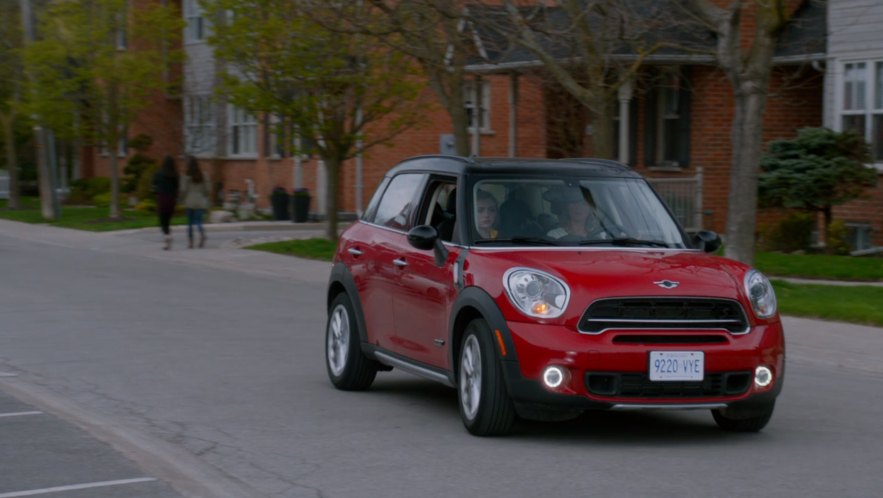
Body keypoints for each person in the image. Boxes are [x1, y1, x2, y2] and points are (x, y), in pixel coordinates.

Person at [180, 156, 210, 249]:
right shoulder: (203, 175)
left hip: (189, 201)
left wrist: (182, 199)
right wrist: (204, 196)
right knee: (199, 221)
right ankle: (202, 234)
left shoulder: (186, 176)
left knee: (189, 222)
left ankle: (190, 242)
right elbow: (207, 190)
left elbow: (183, 190)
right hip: (199, 201)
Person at [152, 155, 179, 250]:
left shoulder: (158, 173)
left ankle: (167, 237)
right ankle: (168, 237)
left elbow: (154, 185)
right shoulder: (175, 175)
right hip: (171, 200)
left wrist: (156, 192)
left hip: (162, 198)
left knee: (162, 221)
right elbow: (177, 187)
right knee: (168, 221)